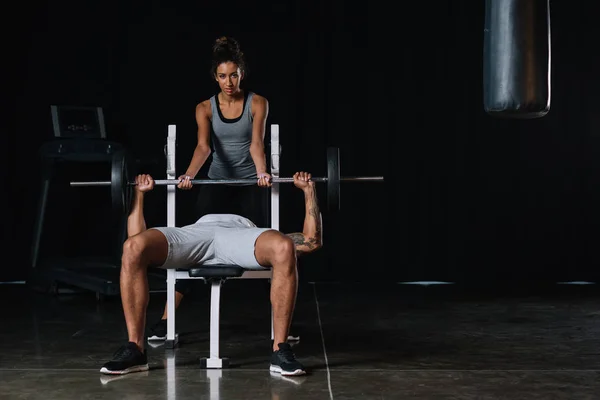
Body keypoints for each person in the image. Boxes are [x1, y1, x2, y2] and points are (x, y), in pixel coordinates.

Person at [100, 171, 322, 376]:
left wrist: (309, 190)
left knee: (284, 247)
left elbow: (311, 241)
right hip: (196, 233)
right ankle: (135, 348)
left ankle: (280, 349)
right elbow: (136, 241)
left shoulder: (249, 215)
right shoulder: (200, 211)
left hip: (241, 234)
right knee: (133, 248)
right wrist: (138, 194)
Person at [147, 35, 272, 341]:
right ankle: (166, 322)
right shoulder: (204, 107)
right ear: (214, 77)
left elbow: (257, 143)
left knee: (269, 253)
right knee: (194, 252)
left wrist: (262, 172)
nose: (228, 82)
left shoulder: (257, 103)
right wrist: (188, 175)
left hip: (249, 184)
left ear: (242, 73)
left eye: (233, 75)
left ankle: (280, 328)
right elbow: (203, 147)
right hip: (216, 181)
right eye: (221, 76)